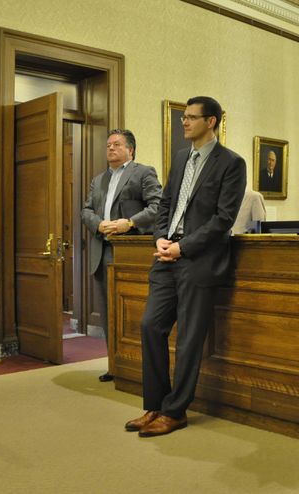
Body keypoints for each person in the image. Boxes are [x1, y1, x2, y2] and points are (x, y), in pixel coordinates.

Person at [124, 96, 246, 437]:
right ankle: (155, 405)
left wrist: (182, 246)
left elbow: (224, 219)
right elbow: (166, 203)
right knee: (150, 326)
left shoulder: (232, 163)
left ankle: (175, 412)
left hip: (199, 260)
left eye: (192, 118)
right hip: (166, 258)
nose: (184, 123)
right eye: (183, 118)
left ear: (211, 122)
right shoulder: (180, 158)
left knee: (190, 339)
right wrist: (160, 239)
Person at [81, 129, 162, 382]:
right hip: (101, 250)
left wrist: (129, 222)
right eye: (108, 145)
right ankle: (114, 365)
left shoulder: (142, 172)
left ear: (130, 149)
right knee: (109, 313)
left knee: (132, 313)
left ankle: (138, 366)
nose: (111, 149)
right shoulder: (98, 179)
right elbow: (85, 210)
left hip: (130, 253)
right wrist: (98, 224)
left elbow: (157, 206)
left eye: (117, 144)